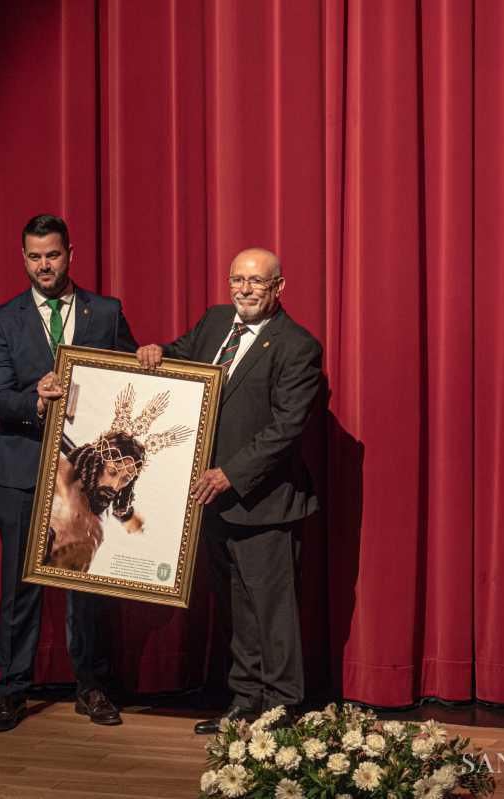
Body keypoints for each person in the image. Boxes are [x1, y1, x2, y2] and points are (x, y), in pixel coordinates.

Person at [136, 247, 323, 734]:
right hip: (212, 501)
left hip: (263, 502)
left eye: (256, 282)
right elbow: (177, 358)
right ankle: (245, 702)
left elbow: (285, 429)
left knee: (271, 613)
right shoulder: (216, 321)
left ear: (279, 288)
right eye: (237, 279)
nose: (244, 289)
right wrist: (154, 351)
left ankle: (282, 710)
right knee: (237, 609)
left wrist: (230, 475)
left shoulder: (297, 346)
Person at [0, 214, 137, 732]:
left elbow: (130, 382)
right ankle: (11, 692)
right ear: (22, 258)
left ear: (70, 253)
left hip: (82, 480)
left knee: (84, 589)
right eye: (34, 256)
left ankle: (90, 688)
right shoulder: (3, 319)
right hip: (22, 474)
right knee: (18, 589)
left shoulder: (106, 312)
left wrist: (150, 357)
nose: (43, 265)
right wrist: (35, 400)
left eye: (52, 254)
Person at [44, 385, 192, 572]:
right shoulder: (60, 477)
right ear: (97, 462)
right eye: (112, 472)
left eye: (125, 480)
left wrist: (127, 516)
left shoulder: (96, 529)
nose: (115, 487)